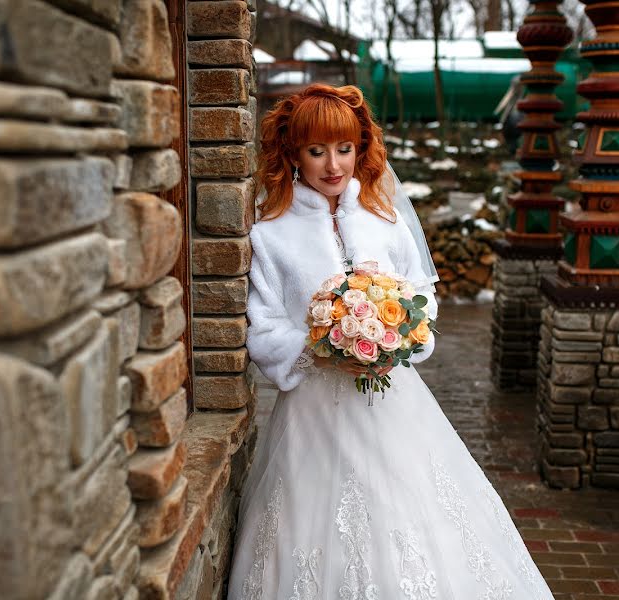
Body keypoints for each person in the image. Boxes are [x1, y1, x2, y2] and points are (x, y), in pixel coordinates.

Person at [227, 84, 554, 600]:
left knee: (408, 509)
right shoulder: (271, 234)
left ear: (361, 149)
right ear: (292, 154)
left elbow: (421, 291)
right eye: (316, 151)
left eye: (344, 148)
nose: (332, 165)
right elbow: (263, 323)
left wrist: (396, 333)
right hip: (313, 408)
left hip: (393, 401)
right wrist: (322, 343)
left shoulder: (386, 220)